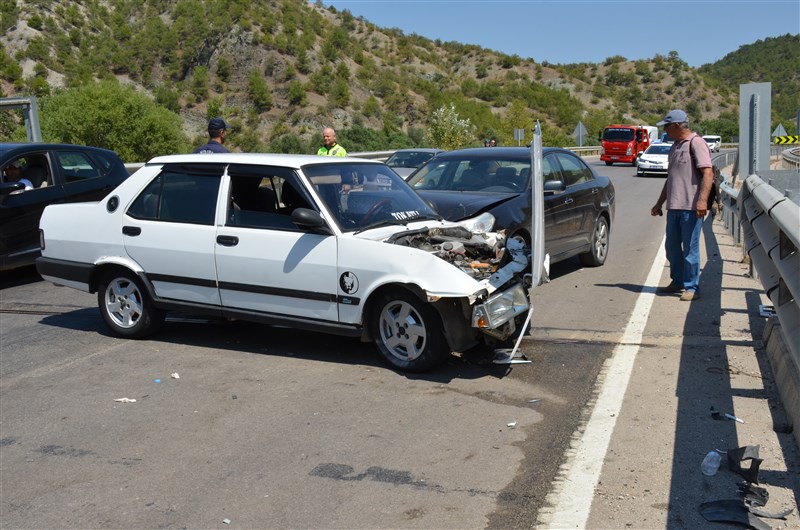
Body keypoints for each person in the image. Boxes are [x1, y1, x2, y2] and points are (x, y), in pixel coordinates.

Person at [650, 109, 714, 302]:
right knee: (672, 247)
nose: (666, 131)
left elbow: (708, 173)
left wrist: (702, 201)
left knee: (690, 249)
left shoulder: (696, 143)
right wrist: (659, 203)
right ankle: (677, 281)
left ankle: (692, 287)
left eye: (667, 127)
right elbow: (671, 179)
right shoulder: (675, 146)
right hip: (674, 206)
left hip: (691, 207)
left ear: (676, 126)